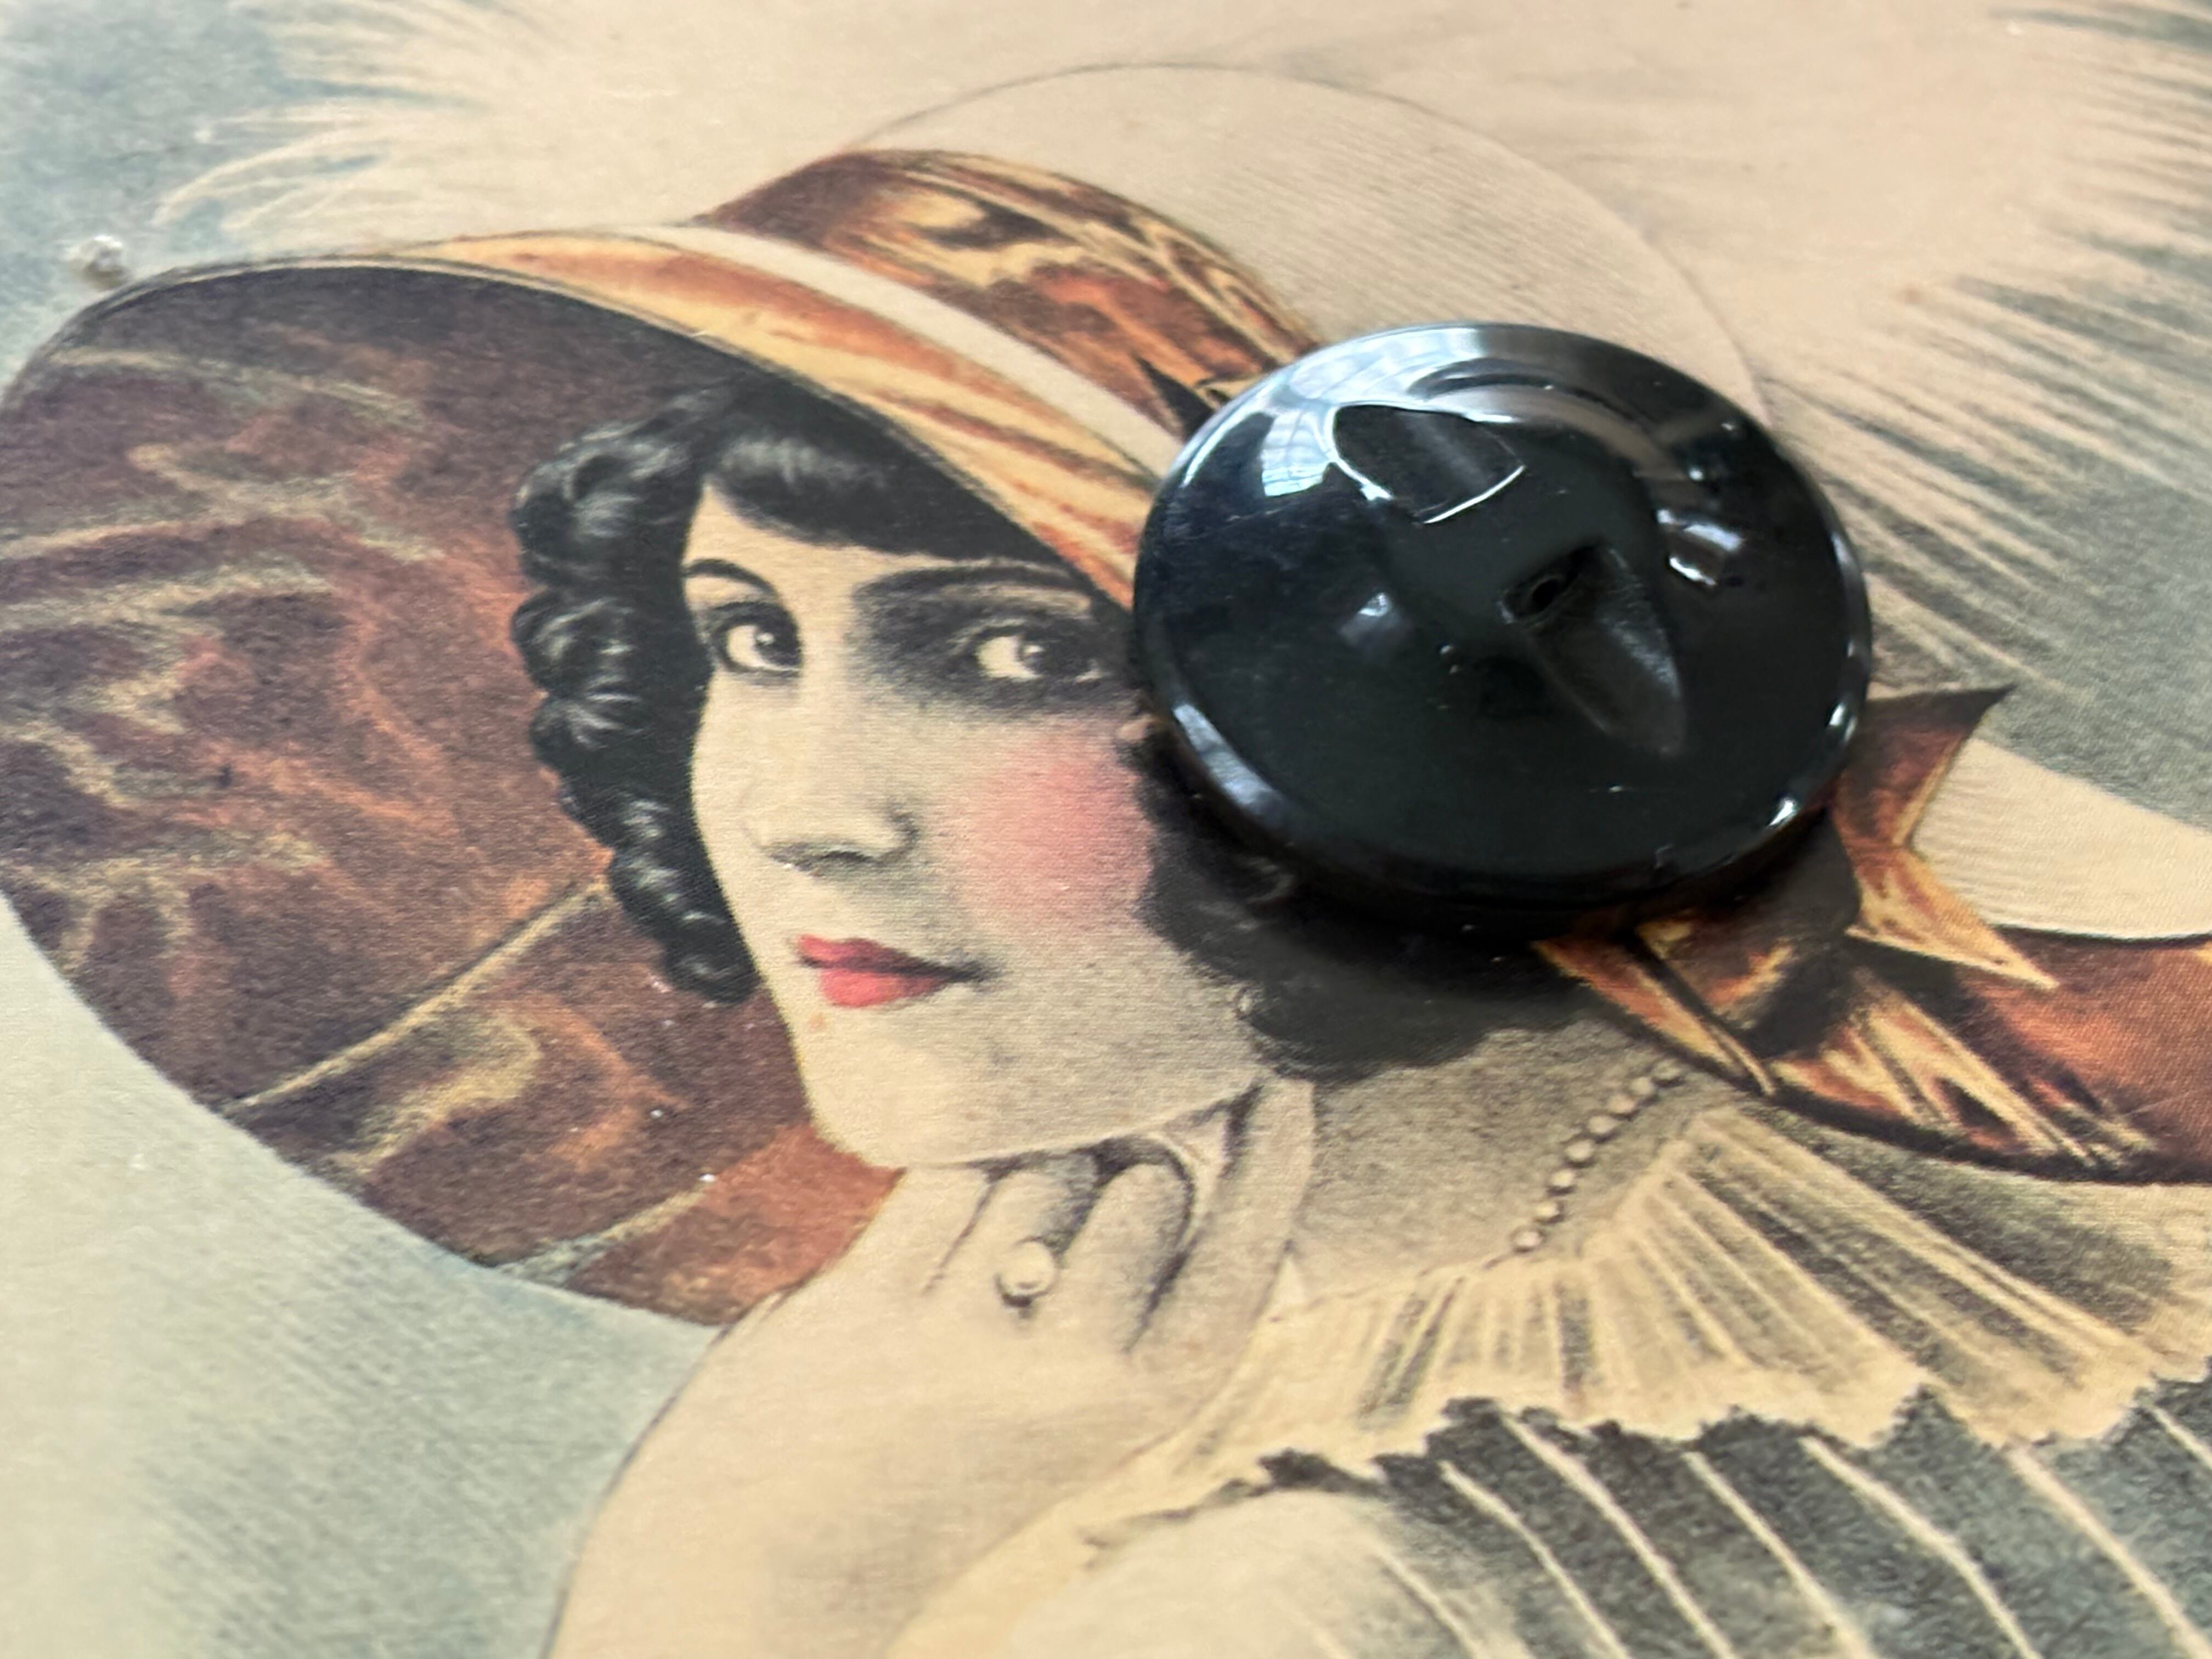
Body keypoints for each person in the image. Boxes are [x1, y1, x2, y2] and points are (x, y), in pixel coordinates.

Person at [6, 139, 2212, 1658]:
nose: (805, 818)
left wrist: (735, 1594)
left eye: (1005, 655)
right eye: (747, 640)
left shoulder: (1282, 1588)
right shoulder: (1790, 1271)